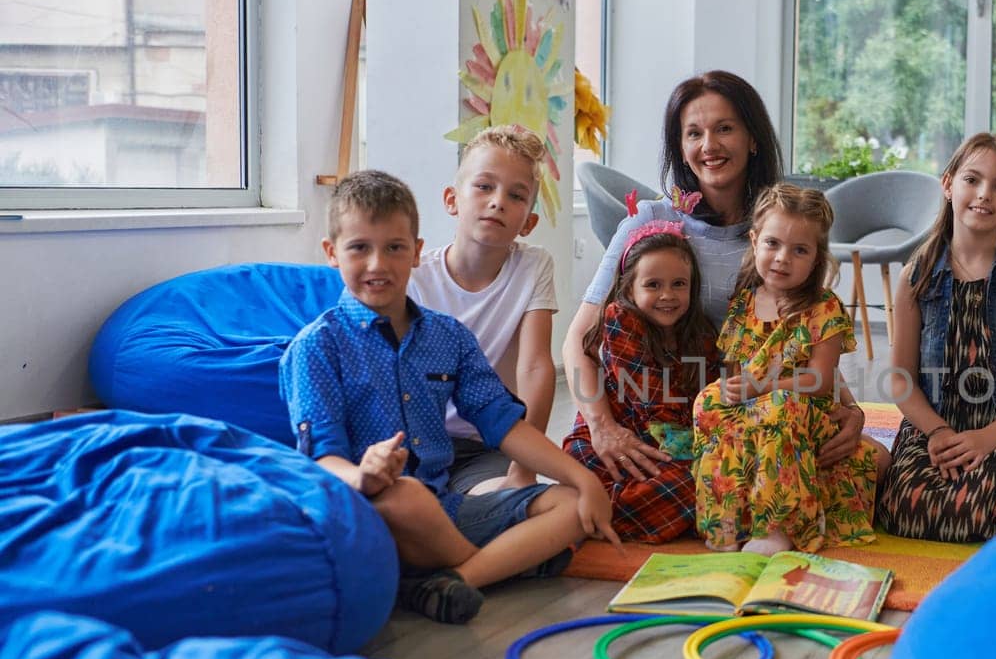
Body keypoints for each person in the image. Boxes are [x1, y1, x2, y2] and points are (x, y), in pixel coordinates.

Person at [280, 171, 619, 625]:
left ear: (417, 252)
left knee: (571, 504)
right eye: (360, 248)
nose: (378, 264)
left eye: (395, 247)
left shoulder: (448, 336)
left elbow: (502, 423)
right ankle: (506, 566)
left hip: (447, 505)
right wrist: (364, 475)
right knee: (406, 495)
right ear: (331, 254)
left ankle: (456, 578)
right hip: (372, 508)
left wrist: (585, 480)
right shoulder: (315, 346)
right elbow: (321, 459)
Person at [563, 70, 885, 487]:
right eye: (693, 133)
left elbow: (802, 335)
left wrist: (852, 410)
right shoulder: (651, 221)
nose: (709, 146)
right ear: (680, 148)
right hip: (658, 410)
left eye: (725, 129)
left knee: (876, 460)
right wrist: (601, 426)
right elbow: (578, 340)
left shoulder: (778, 233)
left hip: (756, 411)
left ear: (753, 140)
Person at [874, 133, 996, 543]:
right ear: (947, 184)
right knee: (907, 505)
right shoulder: (915, 277)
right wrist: (938, 433)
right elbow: (901, 379)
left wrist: (985, 439)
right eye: (972, 180)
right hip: (934, 427)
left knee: (980, 508)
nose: (984, 195)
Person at [693, 184, 879, 554]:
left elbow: (820, 380)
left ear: (816, 258)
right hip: (753, 405)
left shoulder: (822, 307)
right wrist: (730, 390)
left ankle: (777, 525)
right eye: (772, 244)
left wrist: (759, 386)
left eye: (799, 250)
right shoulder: (745, 302)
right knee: (707, 402)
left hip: (804, 411)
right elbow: (732, 364)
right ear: (754, 241)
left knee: (780, 405)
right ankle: (729, 518)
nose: (782, 258)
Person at [410, 124, 558, 496]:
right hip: (414, 445)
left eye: (517, 194)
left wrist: (525, 467)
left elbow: (535, 366)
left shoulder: (533, 266)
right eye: (484, 186)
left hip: (485, 450)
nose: (498, 201)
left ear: (529, 222)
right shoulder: (414, 277)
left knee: (551, 506)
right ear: (451, 199)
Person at [562, 222, 717, 543]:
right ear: (629, 288)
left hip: (669, 447)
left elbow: (711, 400)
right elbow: (653, 408)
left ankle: (599, 509)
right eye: (653, 285)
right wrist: (703, 461)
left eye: (678, 284)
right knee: (697, 483)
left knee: (714, 477)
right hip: (617, 440)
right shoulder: (621, 319)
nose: (667, 295)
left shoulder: (702, 335)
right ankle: (590, 510)